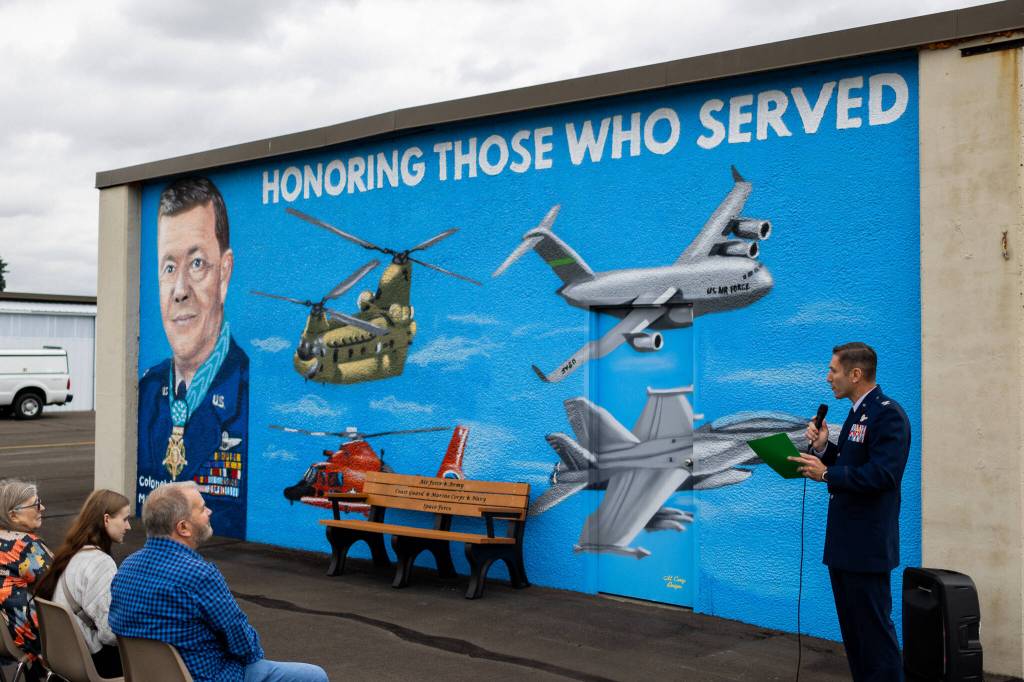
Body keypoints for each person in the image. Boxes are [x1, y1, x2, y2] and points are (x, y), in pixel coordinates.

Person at [109, 482, 327, 682]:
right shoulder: (199, 575)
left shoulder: (126, 568)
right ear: (183, 527)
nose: (210, 511)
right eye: (203, 509)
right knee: (314, 676)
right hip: (210, 676)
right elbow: (243, 644)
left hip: (147, 677)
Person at [789, 342, 911, 682]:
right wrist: (826, 448)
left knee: (874, 638)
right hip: (844, 546)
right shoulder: (857, 412)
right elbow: (851, 465)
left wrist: (826, 473)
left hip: (867, 547)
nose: (828, 377)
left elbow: (883, 475)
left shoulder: (888, 414)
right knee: (856, 639)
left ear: (855, 374)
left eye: (833, 370)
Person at [137, 176, 250, 539]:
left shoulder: (248, 388)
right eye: (169, 268)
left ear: (225, 274)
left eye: (197, 263)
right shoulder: (148, 388)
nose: (180, 290)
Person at [34, 489, 132, 678]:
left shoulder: (71, 553)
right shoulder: (101, 563)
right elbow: (109, 634)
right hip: (93, 662)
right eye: (125, 519)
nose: (129, 526)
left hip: (64, 656)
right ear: (106, 520)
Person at [0, 480, 52, 682]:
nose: (43, 508)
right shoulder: (26, 546)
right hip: (29, 638)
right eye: (36, 504)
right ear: (13, 515)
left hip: (6, 633)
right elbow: (55, 582)